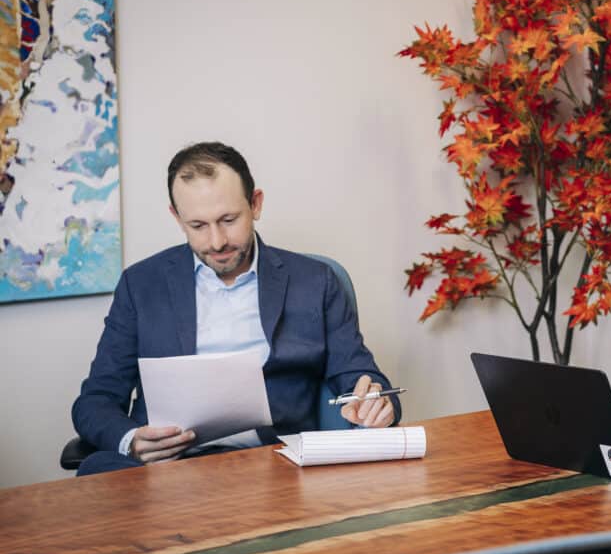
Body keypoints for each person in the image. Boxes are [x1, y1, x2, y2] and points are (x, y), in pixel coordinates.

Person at [72, 142, 400, 475]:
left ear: (255, 204)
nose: (216, 242)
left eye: (228, 220)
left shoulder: (315, 282)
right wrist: (131, 439)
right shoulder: (141, 285)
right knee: (95, 475)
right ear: (176, 217)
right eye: (197, 226)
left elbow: (361, 376)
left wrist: (377, 401)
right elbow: (94, 402)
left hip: (273, 464)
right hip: (165, 471)